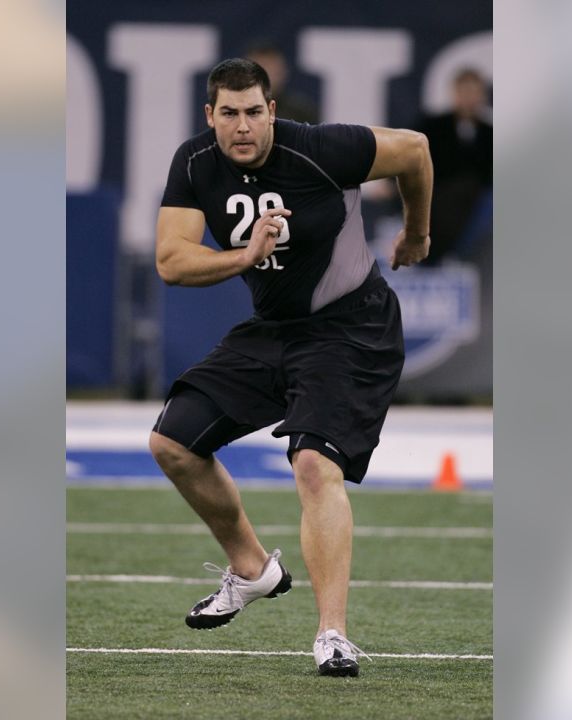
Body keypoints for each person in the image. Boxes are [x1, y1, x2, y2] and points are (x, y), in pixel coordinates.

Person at [148, 57, 431, 677]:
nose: (242, 126)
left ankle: (332, 634)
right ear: (210, 116)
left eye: (254, 112)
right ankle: (252, 570)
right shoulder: (195, 162)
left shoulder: (322, 148)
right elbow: (171, 261)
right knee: (171, 443)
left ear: (273, 111)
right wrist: (243, 255)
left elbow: (414, 149)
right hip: (274, 331)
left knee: (312, 462)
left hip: (351, 327)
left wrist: (417, 232)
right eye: (229, 113)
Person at [413, 67, 492, 265]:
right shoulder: (432, 127)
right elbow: (412, 160)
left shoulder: (490, 133)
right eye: (464, 92)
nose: (469, 98)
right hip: (438, 202)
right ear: (454, 93)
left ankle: (461, 255)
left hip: (477, 207)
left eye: (474, 92)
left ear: (482, 95)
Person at [245, 42, 320, 125]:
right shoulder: (233, 108)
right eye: (259, 67)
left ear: (283, 72)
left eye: (270, 68)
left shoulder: (302, 112)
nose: (265, 75)